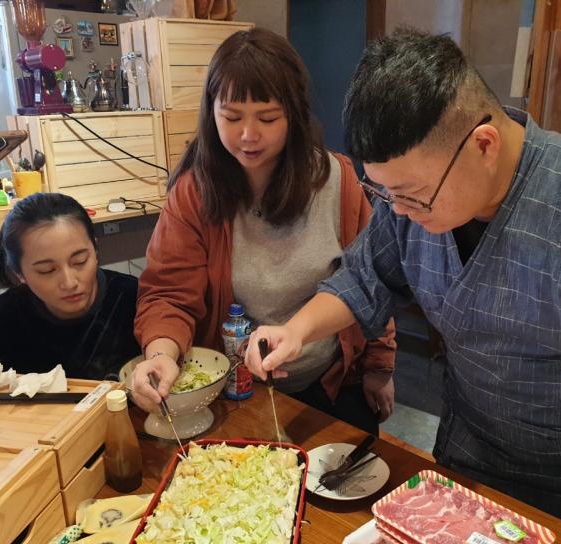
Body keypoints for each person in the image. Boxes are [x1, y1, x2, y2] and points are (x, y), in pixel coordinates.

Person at [245, 28, 561, 544]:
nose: (397, 212)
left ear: (483, 145)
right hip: (465, 468)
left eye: (413, 196)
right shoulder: (410, 202)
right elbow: (363, 277)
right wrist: (295, 330)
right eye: (384, 193)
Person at [129, 28, 396, 435]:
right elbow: (168, 293)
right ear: (211, 112)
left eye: (267, 118)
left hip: (332, 379)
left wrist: (379, 367)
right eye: (231, 117)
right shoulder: (195, 192)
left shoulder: (336, 181)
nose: (248, 135)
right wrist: (162, 354)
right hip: (237, 390)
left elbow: (371, 279)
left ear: (294, 113)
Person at [0, 193, 140, 380]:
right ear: (19, 273)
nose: (69, 283)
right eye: (46, 270)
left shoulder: (134, 299)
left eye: (79, 261)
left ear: (95, 251)